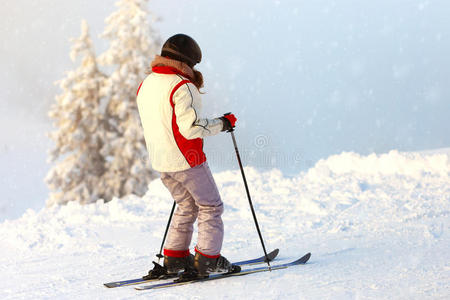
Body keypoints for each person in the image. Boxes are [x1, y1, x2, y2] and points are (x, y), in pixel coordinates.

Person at [136, 34, 238, 279]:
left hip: (161, 161)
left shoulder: (147, 84)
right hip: (186, 159)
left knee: (186, 205)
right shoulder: (182, 86)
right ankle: (208, 260)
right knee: (211, 206)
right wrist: (222, 124)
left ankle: (174, 258)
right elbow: (190, 128)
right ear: (188, 61)